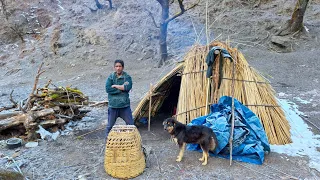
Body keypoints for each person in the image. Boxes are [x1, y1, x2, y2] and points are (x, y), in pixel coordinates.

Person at [105, 60, 134, 137]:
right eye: (116, 66)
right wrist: (121, 89)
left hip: (124, 106)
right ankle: (108, 143)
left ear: (123, 67)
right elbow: (108, 89)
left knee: (131, 126)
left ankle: (132, 143)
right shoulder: (111, 77)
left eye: (120, 66)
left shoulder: (127, 77)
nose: (118, 68)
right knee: (109, 127)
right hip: (113, 106)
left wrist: (115, 86)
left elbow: (128, 87)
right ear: (114, 67)